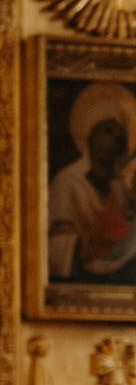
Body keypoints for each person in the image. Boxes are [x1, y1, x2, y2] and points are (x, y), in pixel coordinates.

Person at [49, 82, 136, 281]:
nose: (116, 140)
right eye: (108, 131)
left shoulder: (123, 186)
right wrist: (88, 244)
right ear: (90, 133)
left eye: (120, 136)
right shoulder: (67, 182)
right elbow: (52, 249)